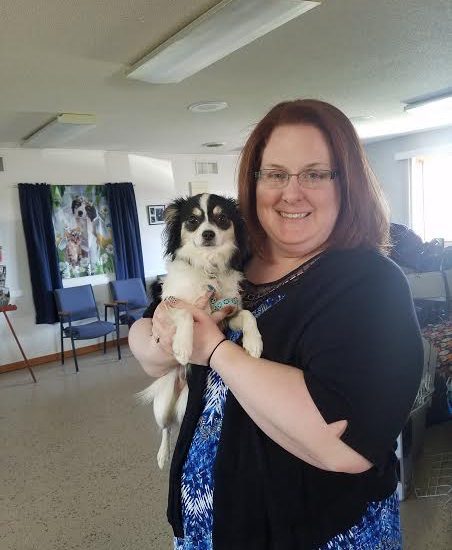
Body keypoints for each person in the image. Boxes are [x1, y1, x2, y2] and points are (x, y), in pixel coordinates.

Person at [129, 99, 423, 549]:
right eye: (275, 174)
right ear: (254, 183)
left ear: (347, 184)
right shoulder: (233, 260)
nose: (292, 192)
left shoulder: (370, 284)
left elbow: (341, 444)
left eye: (315, 173)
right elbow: (148, 339)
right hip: (208, 527)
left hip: (312, 532)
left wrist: (214, 349)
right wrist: (160, 340)